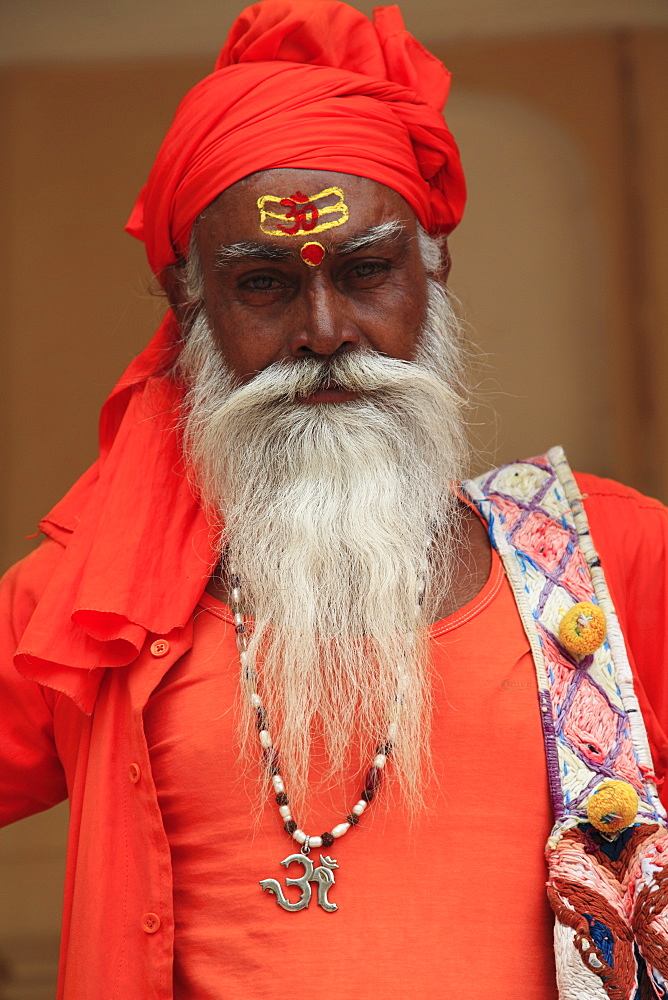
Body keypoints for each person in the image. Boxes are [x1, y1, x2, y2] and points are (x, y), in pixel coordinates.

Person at [1, 2, 668, 998]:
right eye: (264, 284)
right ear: (191, 309)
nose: (323, 331)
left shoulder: (616, 555)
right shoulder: (99, 599)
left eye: (365, 272)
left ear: (431, 271)